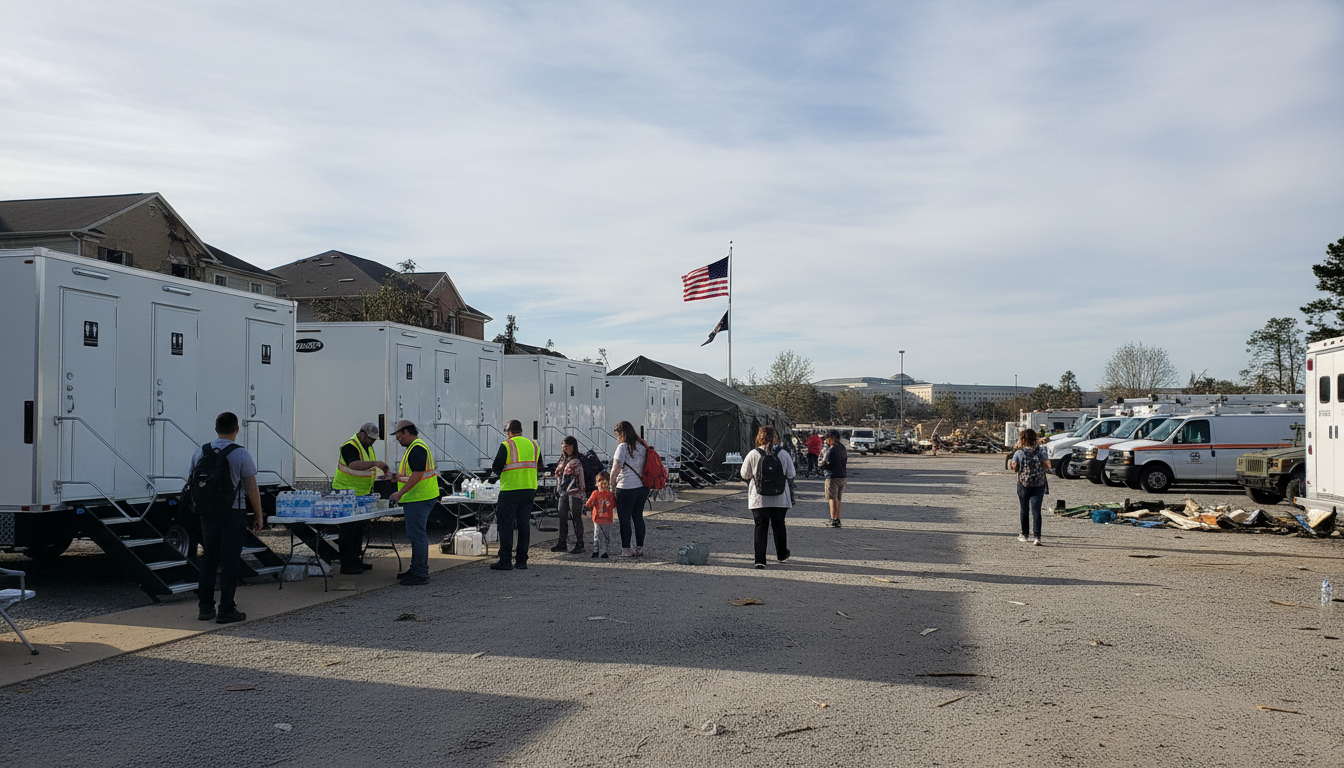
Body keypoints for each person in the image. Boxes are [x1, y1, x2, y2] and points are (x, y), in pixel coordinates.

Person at [189, 412, 263, 624]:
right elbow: (252, 489)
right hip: (234, 513)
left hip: (207, 514)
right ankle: (226, 609)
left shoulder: (200, 451)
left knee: (209, 558)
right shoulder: (241, 454)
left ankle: (205, 607)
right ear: (237, 429)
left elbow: (192, 481)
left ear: (216, 429)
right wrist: (258, 515)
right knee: (230, 561)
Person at [333, 421, 389, 575]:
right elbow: (353, 465)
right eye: (370, 438)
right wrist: (376, 463)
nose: (372, 442)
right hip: (345, 493)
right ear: (362, 434)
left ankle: (356, 560)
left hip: (360, 494)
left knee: (358, 530)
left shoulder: (367, 447)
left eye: (374, 439)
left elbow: (366, 469)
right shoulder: (350, 446)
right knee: (348, 530)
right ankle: (347, 564)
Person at [389, 420, 440, 585]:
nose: (397, 439)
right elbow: (414, 475)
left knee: (417, 536)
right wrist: (398, 478)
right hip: (421, 496)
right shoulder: (416, 447)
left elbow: (418, 475)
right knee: (416, 535)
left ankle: (420, 573)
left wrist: (399, 493)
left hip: (419, 497)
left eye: (398, 435)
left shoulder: (417, 448)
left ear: (406, 432)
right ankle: (416, 568)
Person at [740, 426, 796, 569]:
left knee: (761, 527)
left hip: (758, 498)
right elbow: (791, 474)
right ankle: (781, 554)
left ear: (759, 437)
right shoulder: (783, 454)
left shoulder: (753, 454)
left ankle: (760, 560)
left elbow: (744, 474)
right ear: (775, 437)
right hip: (780, 498)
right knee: (779, 525)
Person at [489, 419, 539, 571]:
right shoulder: (534, 445)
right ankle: (522, 561)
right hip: (529, 488)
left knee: (506, 525)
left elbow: (496, 468)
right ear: (521, 431)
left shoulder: (507, 445)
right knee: (524, 524)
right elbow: (539, 465)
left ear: (509, 432)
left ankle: (505, 560)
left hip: (510, 490)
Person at [611, 420, 650, 557]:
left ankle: (626, 549)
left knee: (625, 519)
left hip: (626, 487)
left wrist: (612, 484)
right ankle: (640, 548)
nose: (617, 438)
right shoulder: (642, 446)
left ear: (622, 434)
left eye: (618, 435)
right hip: (642, 487)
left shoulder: (622, 447)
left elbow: (616, 468)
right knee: (638, 517)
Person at [1009, 428, 1052, 545]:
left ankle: (1025, 534)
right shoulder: (1041, 451)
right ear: (1035, 438)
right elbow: (1048, 467)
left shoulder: (1019, 453)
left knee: (1024, 509)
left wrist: (1015, 467)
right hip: (1039, 484)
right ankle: (1037, 537)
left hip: (1023, 484)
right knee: (1036, 510)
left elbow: (1014, 467)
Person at [551, 436, 587, 555]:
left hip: (575, 492)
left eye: (567, 447)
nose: (565, 449)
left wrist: (582, 492)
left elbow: (581, 478)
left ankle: (580, 543)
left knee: (576, 517)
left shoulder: (578, 460)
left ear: (573, 446)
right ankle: (562, 543)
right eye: (563, 447)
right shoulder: (563, 459)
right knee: (562, 516)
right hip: (563, 491)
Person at [818, 429, 848, 528]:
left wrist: (821, 466)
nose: (826, 441)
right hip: (842, 476)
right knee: (838, 498)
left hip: (832, 477)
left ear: (831, 439)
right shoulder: (842, 447)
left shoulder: (831, 450)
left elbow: (823, 463)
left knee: (832, 498)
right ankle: (838, 518)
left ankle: (833, 519)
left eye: (827, 439)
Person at [586, 471, 617, 558]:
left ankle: (603, 551)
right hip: (599, 518)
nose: (602, 486)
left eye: (605, 483)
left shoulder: (609, 494)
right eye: (601, 483)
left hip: (605, 518)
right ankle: (598, 550)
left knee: (604, 535)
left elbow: (613, 505)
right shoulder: (597, 493)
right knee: (599, 534)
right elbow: (589, 503)